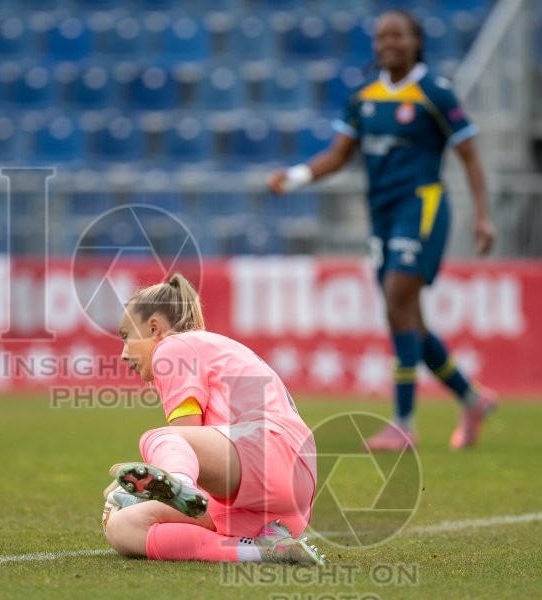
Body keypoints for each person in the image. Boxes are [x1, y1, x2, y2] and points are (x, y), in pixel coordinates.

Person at [267, 10, 497, 452]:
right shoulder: (363, 97)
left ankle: (404, 425)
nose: (386, 43)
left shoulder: (435, 92)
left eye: (396, 35)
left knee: (396, 299)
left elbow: (469, 154)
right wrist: (294, 177)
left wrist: (483, 216)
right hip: (382, 214)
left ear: (416, 42)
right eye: (380, 37)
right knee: (407, 317)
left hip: (423, 207)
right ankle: (473, 398)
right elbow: (338, 155)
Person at [102, 274, 324, 566]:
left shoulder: (172, 348)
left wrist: (145, 487)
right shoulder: (208, 347)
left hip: (269, 452)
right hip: (281, 505)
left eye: (126, 336)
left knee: (158, 439)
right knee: (122, 527)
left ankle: (179, 484)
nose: (123, 353)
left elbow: (185, 436)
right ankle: (262, 550)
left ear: (154, 327)